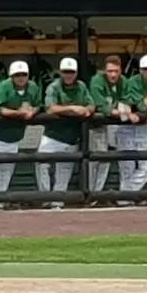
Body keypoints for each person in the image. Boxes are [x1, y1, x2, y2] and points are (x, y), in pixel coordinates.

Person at [0, 60, 41, 209]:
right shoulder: (4, 86)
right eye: (17, 75)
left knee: (4, 172)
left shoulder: (32, 87)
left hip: (14, 137)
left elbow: (38, 104)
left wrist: (33, 111)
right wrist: (18, 113)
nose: (21, 78)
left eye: (23, 74)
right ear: (11, 76)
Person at [36, 58, 94, 208]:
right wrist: (73, 109)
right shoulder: (54, 87)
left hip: (71, 137)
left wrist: (87, 110)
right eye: (65, 72)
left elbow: (91, 104)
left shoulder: (81, 86)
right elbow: (50, 108)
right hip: (52, 136)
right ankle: (45, 198)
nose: (68, 75)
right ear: (61, 73)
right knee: (42, 165)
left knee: (63, 174)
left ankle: (56, 203)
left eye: (71, 72)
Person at [116, 54, 147, 205]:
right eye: (146, 69)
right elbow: (142, 106)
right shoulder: (133, 82)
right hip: (127, 129)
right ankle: (126, 201)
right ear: (141, 70)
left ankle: (124, 196)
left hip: (143, 129)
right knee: (127, 168)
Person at [87, 56, 125, 199]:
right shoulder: (97, 80)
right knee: (94, 160)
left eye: (116, 71)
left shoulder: (123, 82)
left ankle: (98, 194)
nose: (113, 74)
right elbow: (100, 105)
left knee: (106, 160)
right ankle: (89, 193)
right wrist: (118, 111)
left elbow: (128, 99)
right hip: (97, 126)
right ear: (104, 71)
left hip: (114, 126)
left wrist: (123, 109)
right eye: (110, 71)